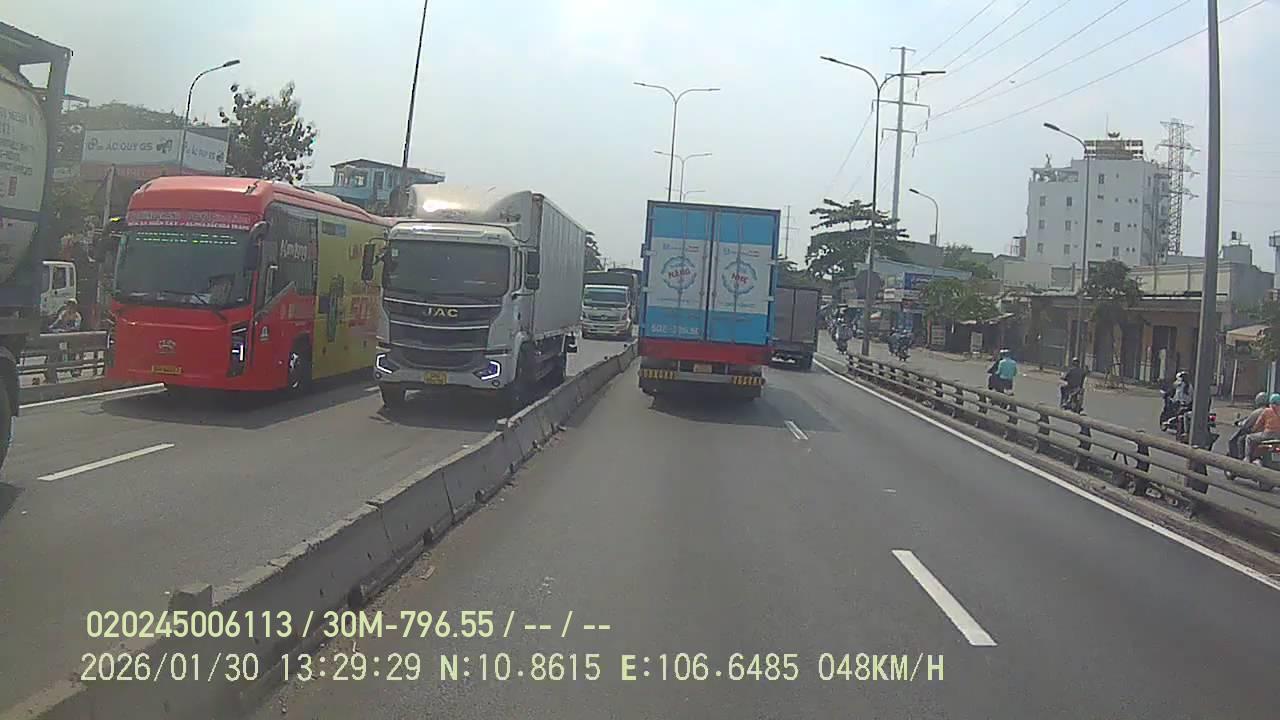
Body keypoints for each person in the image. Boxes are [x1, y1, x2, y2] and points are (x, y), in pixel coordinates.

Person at [1229, 392, 1271, 460]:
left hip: (1258, 434)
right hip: (1270, 435)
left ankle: (1242, 458)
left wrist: (1239, 423)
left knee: (1240, 439)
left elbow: (1246, 424)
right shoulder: (1271, 411)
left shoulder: (1257, 412)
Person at [1245, 393, 1280, 462]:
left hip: (1267, 435)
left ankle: (1247, 458)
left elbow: (1258, 423)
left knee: (1249, 438)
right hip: (1278, 436)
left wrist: (1253, 430)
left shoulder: (1267, 411)